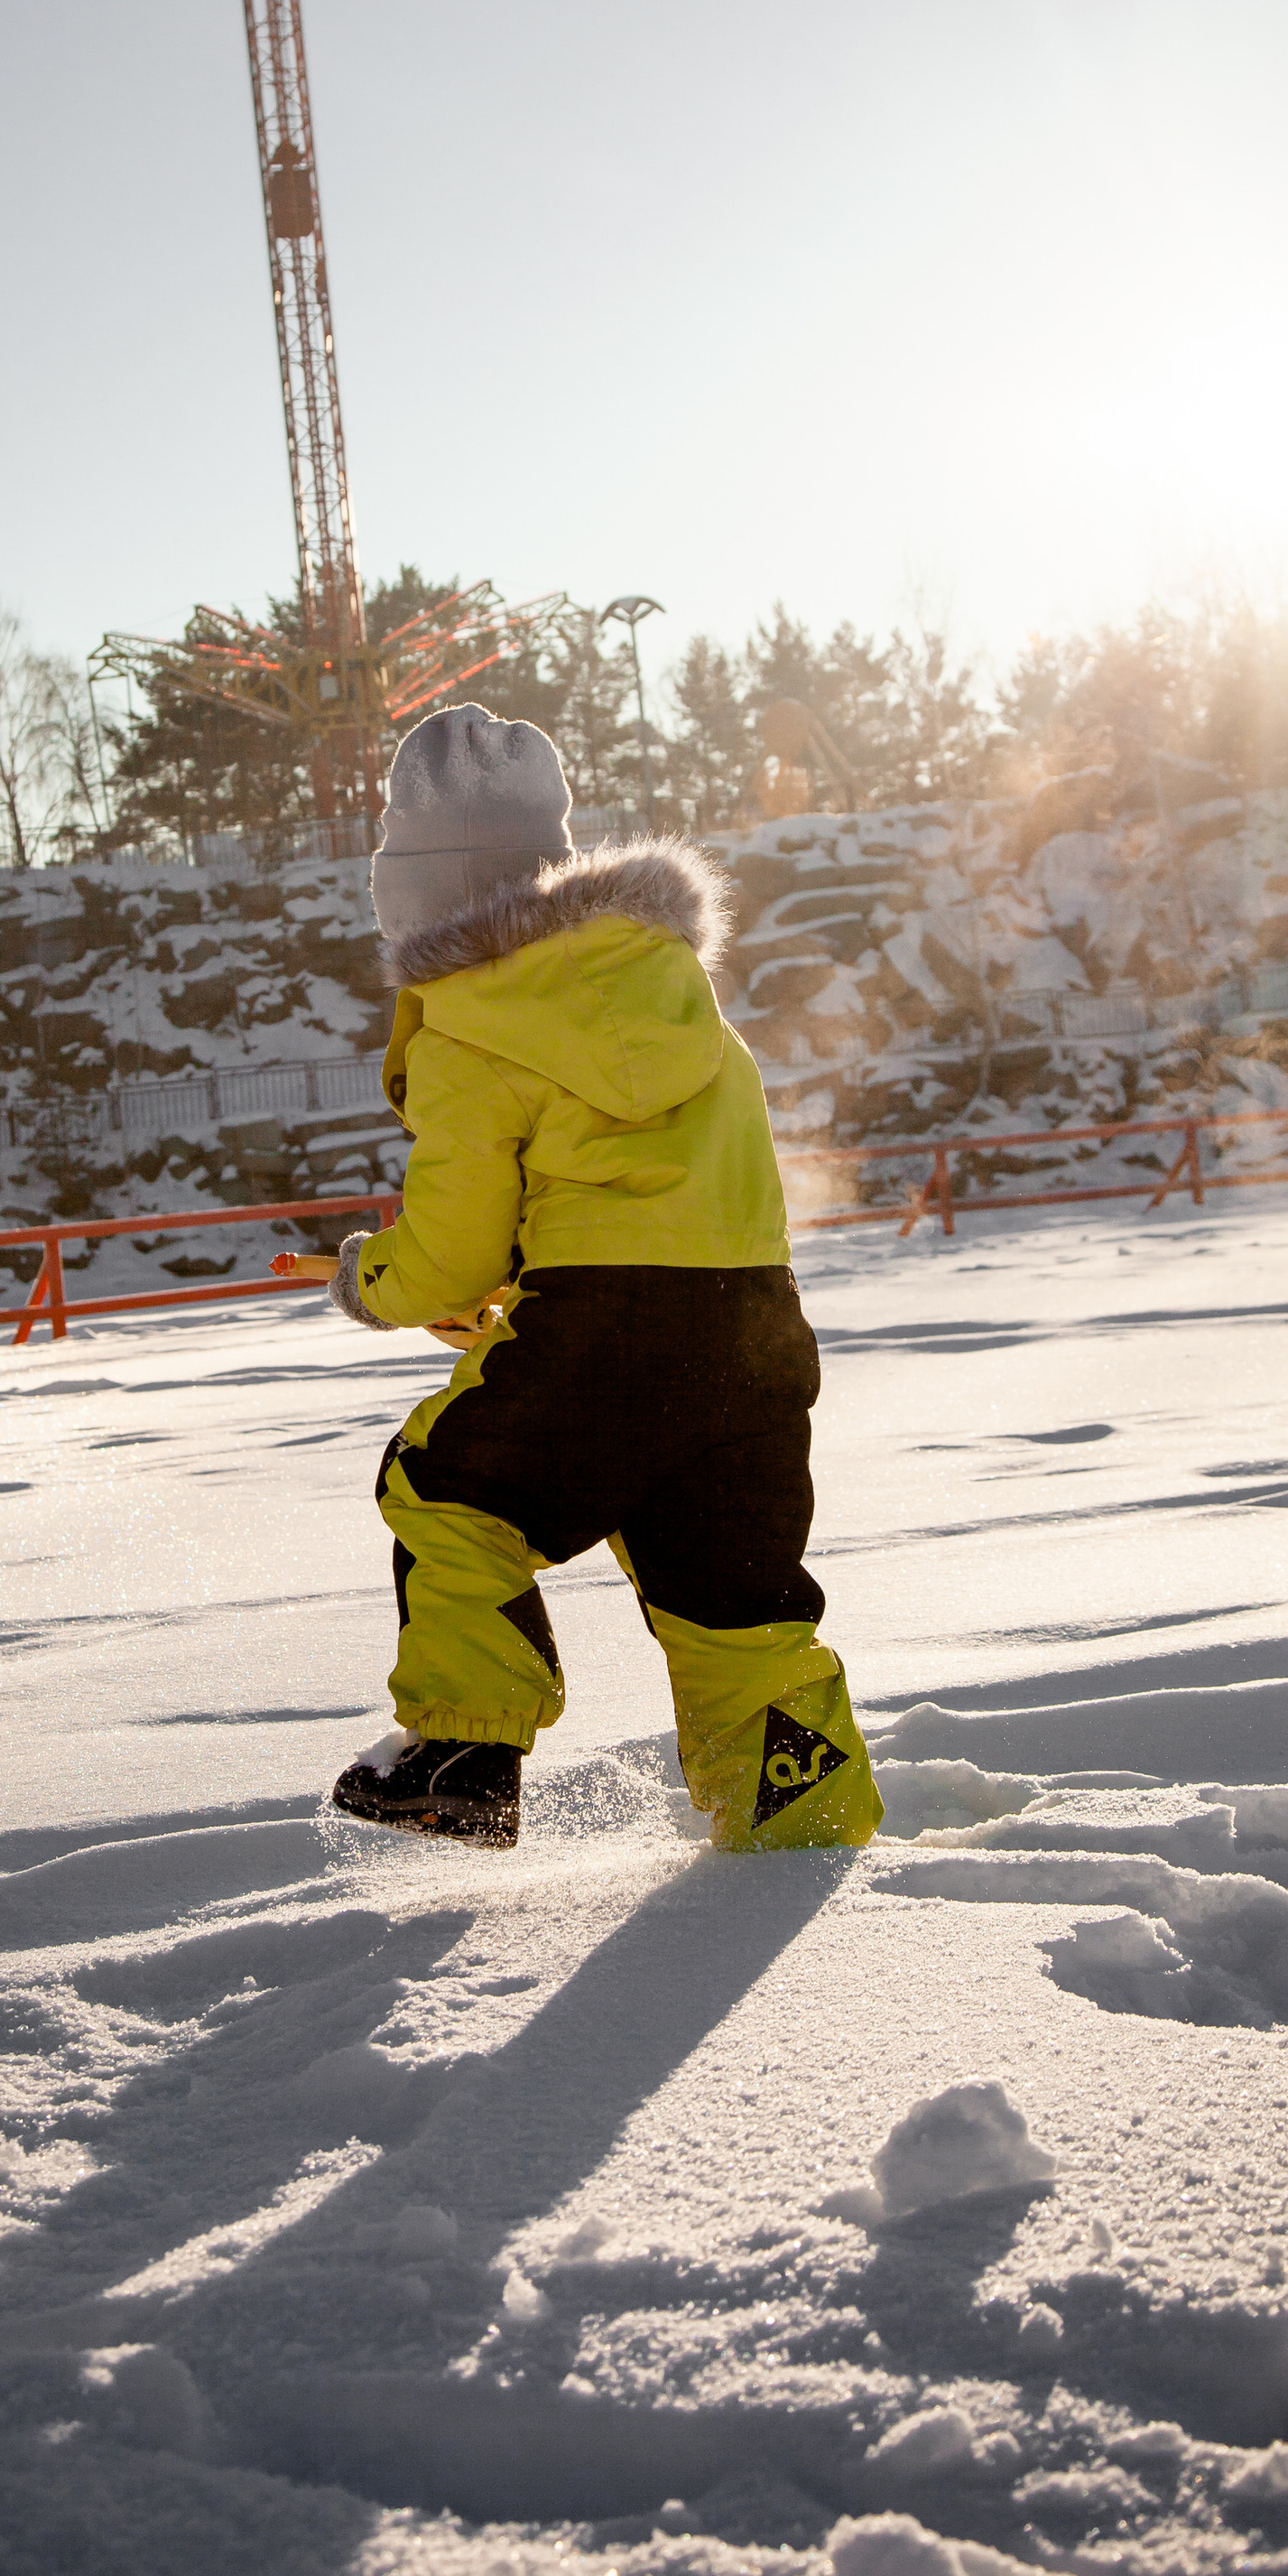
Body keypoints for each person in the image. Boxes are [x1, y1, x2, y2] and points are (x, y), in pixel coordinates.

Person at [323, 702, 883, 1855]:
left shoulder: (473, 1019)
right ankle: (804, 1823)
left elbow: (454, 1238)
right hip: (754, 1326)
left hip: (603, 1325)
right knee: (732, 1594)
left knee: (446, 1494)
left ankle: (463, 1756)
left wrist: (375, 1284)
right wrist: (544, 1281)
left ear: (412, 896)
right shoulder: (677, 995)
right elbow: (666, 1188)